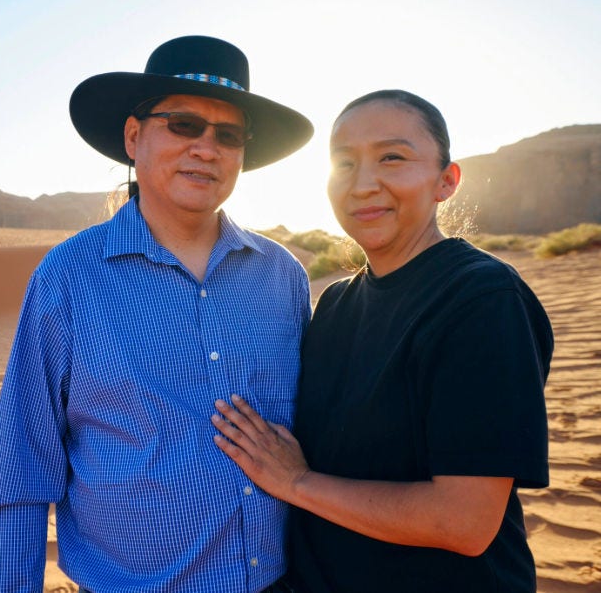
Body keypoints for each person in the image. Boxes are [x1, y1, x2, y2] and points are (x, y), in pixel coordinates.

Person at [0, 35, 313, 592]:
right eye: (183, 125)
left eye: (228, 135)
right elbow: (23, 465)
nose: (207, 148)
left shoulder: (282, 276)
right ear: (134, 137)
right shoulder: (69, 276)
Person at [212, 89, 552, 592]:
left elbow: (463, 522)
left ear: (446, 181)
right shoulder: (335, 303)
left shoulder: (481, 299)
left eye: (392, 157)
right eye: (344, 163)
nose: (363, 184)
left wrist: (296, 483)